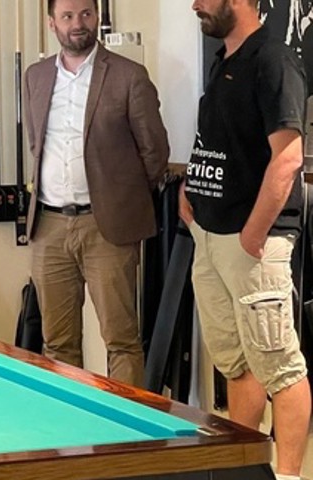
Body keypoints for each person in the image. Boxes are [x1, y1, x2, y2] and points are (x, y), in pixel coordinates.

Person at [181, 1, 311, 478]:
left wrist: (254, 233)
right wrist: (190, 188)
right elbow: (224, 141)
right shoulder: (224, 61)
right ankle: (244, 468)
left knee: (280, 367)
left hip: (252, 243)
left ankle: (289, 475)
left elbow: (288, 157)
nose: (195, 4)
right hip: (211, 236)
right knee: (237, 363)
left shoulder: (273, 59)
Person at [23, 0, 169, 387]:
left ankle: (126, 422)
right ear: (52, 22)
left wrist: (121, 199)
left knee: (121, 340)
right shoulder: (35, 76)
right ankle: (68, 420)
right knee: (57, 343)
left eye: (86, 14)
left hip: (107, 227)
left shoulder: (128, 76)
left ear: (97, 17)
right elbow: (36, 143)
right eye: (68, 16)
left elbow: (155, 152)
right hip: (48, 226)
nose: (78, 23)